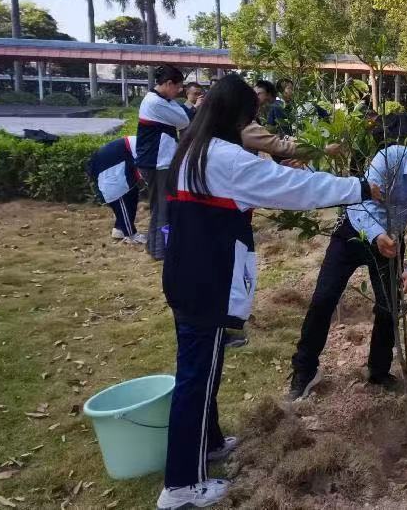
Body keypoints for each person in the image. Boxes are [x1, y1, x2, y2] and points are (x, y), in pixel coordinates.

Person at [157, 74, 380, 510]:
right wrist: (358, 188)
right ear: (237, 116)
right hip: (208, 280)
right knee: (195, 378)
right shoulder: (226, 159)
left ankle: (211, 442)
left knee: (205, 368)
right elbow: (294, 187)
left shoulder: (192, 149)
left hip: (187, 272)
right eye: (250, 116)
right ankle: (181, 485)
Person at [288, 141, 407, 401]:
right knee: (324, 298)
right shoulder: (389, 158)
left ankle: (379, 371)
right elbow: (360, 201)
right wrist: (376, 234)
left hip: (391, 241)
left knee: (389, 306)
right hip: (354, 229)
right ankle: (304, 370)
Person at [136, 64, 190, 261]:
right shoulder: (156, 103)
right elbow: (184, 120)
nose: (179, 92)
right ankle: (160, 251)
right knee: (162, 207)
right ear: (168, 84)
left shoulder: (159, 99)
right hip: (157, 163)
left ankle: (153, 247)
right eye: (178, 87)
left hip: (156, 161)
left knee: (159, 206)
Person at [87, 135, 145, 245]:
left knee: (132, 194)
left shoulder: (145, 142)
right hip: (109, 169)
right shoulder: (145, 145)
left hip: (121, 164)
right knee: (121, 200)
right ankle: (131, 235)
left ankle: (119, 229)